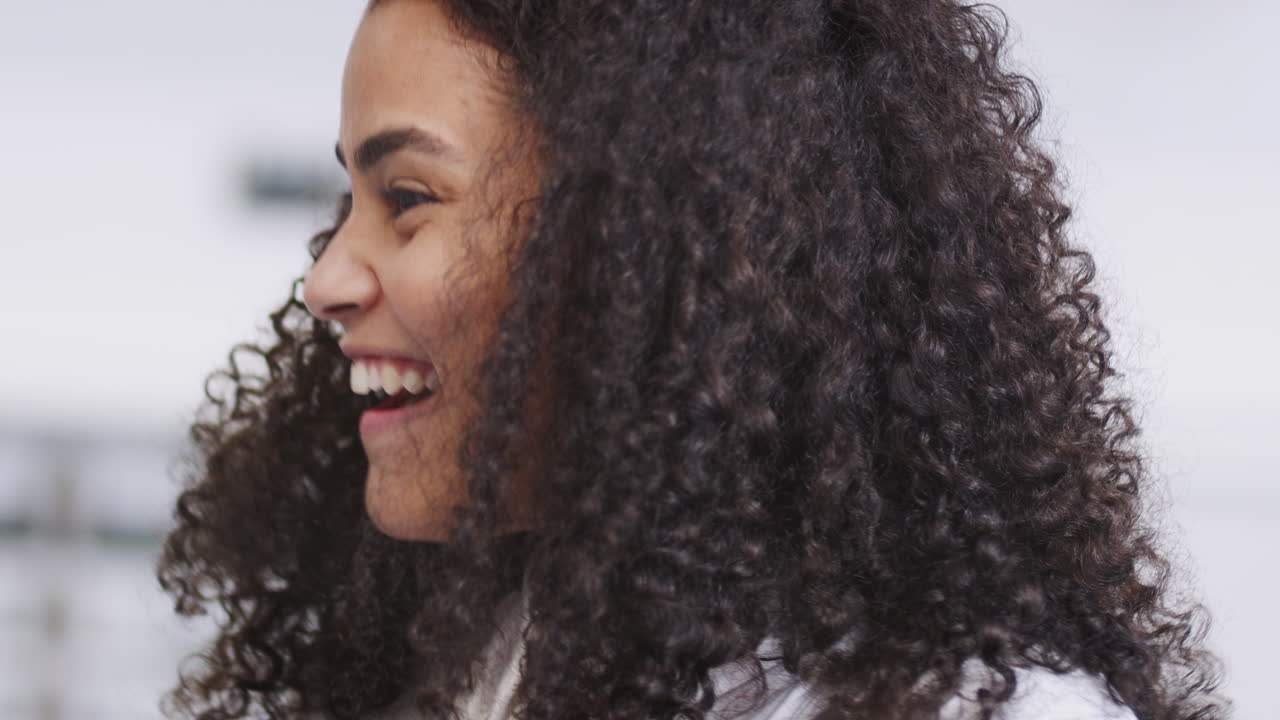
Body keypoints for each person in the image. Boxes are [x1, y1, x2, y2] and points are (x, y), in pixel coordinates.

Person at [157, 1, 1227, 719]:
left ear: (651, 243)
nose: (326, 278)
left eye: (405, 198)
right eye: (347, 198)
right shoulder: (482, 657)